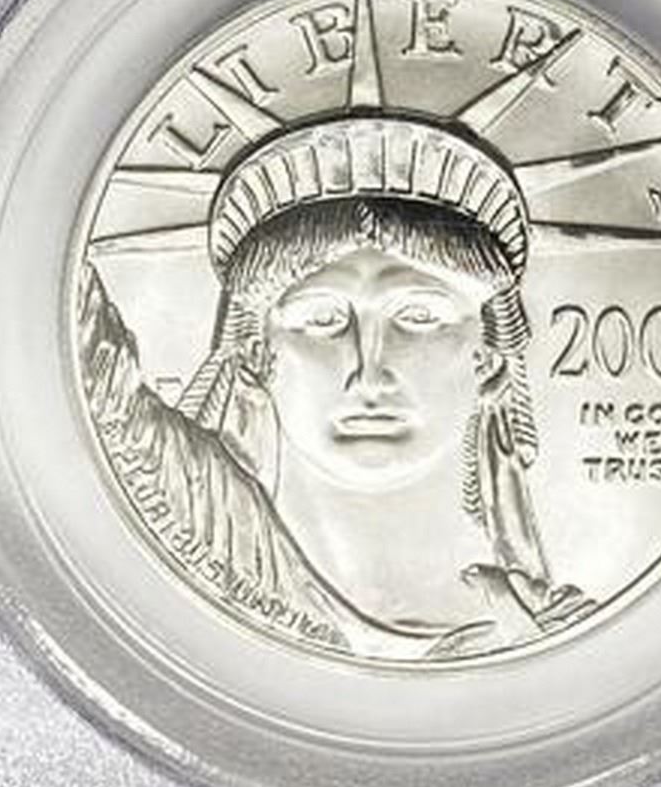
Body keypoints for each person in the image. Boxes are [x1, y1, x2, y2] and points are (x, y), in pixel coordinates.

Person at [80, 116, 593, 660]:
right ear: (255, 357)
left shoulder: (562, 641)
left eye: (418, 316)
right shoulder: (204, 534)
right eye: (322, 319)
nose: (369, 370)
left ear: (487, 361)